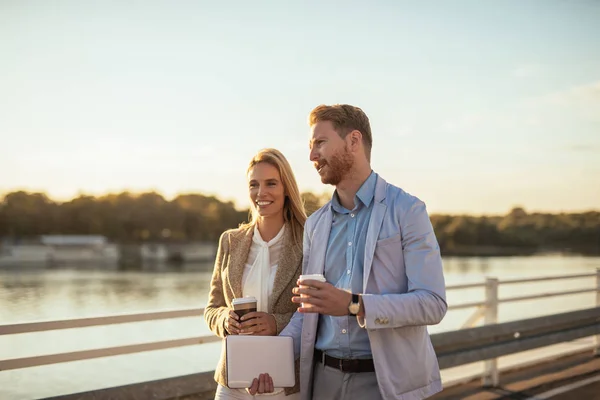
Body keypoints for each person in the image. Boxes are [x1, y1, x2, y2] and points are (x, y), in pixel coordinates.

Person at [249, 105, 447, 400]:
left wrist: (355, 305)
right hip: (323, 383)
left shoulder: (408, 210)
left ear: (354, 141)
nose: (312, 156)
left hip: (385, 384)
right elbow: (307, 314)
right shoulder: (315, 225)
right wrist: (266, 364)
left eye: (320, 143)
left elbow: (432, 304)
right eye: (311, 146)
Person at [204, 148, 306, 399]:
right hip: (232, 382)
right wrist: (225, 319)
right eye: (254, 184)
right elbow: (212, 308)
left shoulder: (308, 241)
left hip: (285, 382)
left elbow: (318, 312)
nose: (261, 193)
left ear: (286, 188)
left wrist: (275, 323)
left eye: (271, 183)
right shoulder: (230, 241)